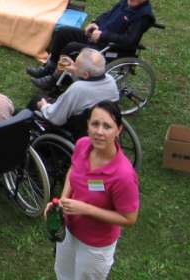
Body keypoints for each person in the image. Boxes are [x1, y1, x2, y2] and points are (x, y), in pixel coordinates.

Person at [45, 101, 139, 279]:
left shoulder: (123, 175)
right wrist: (61, 204)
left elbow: (129, 218)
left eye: (107, 126)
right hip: (69, 232)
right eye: (95, 124)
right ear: (87, 125)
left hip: (95, 246)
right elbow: (74, 170)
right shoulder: (82, 145)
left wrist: (85, 209)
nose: (99, 132)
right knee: (63, 274)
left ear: (118, 130)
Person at [28, 0, 155, 90]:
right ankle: (49, 68)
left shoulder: (144, 16)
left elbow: (129, 40)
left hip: (112, 47)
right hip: (98, 36)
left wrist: (102, 35)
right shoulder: (126, 1)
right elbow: (108, 14)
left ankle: (55, 80)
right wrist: (95, 23)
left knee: (71, 47)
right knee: (63, 32)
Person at [31, 48, 119, 128]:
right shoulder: (110, 80)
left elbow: (56, 118)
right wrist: (74, 70)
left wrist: (43, 106)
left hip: (76, 128)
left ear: (85, 74)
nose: (74, 65)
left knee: (37, 99)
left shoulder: (78, 89)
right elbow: (88, 82)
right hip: (99, 121)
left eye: (76, 64)